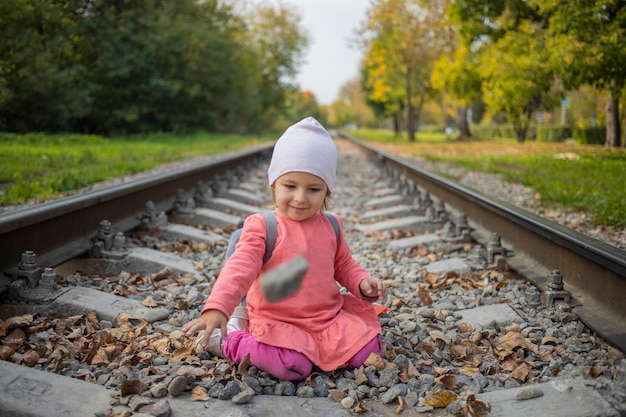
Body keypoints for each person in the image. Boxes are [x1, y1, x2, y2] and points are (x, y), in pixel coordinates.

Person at [182, 117, 388, 381]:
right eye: (290, 186)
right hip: (277, 321)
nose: (301, 197)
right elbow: (240, 267)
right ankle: (229, 340)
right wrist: (218, 307)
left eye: (313, 189)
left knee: (367, 353)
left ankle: (319, 347)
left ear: (327, 191)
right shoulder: (264, 226)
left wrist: (362, 282)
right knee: (292, 366)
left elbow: (343, 264)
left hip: (325, 318)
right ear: (273, 184)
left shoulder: (332, 226)